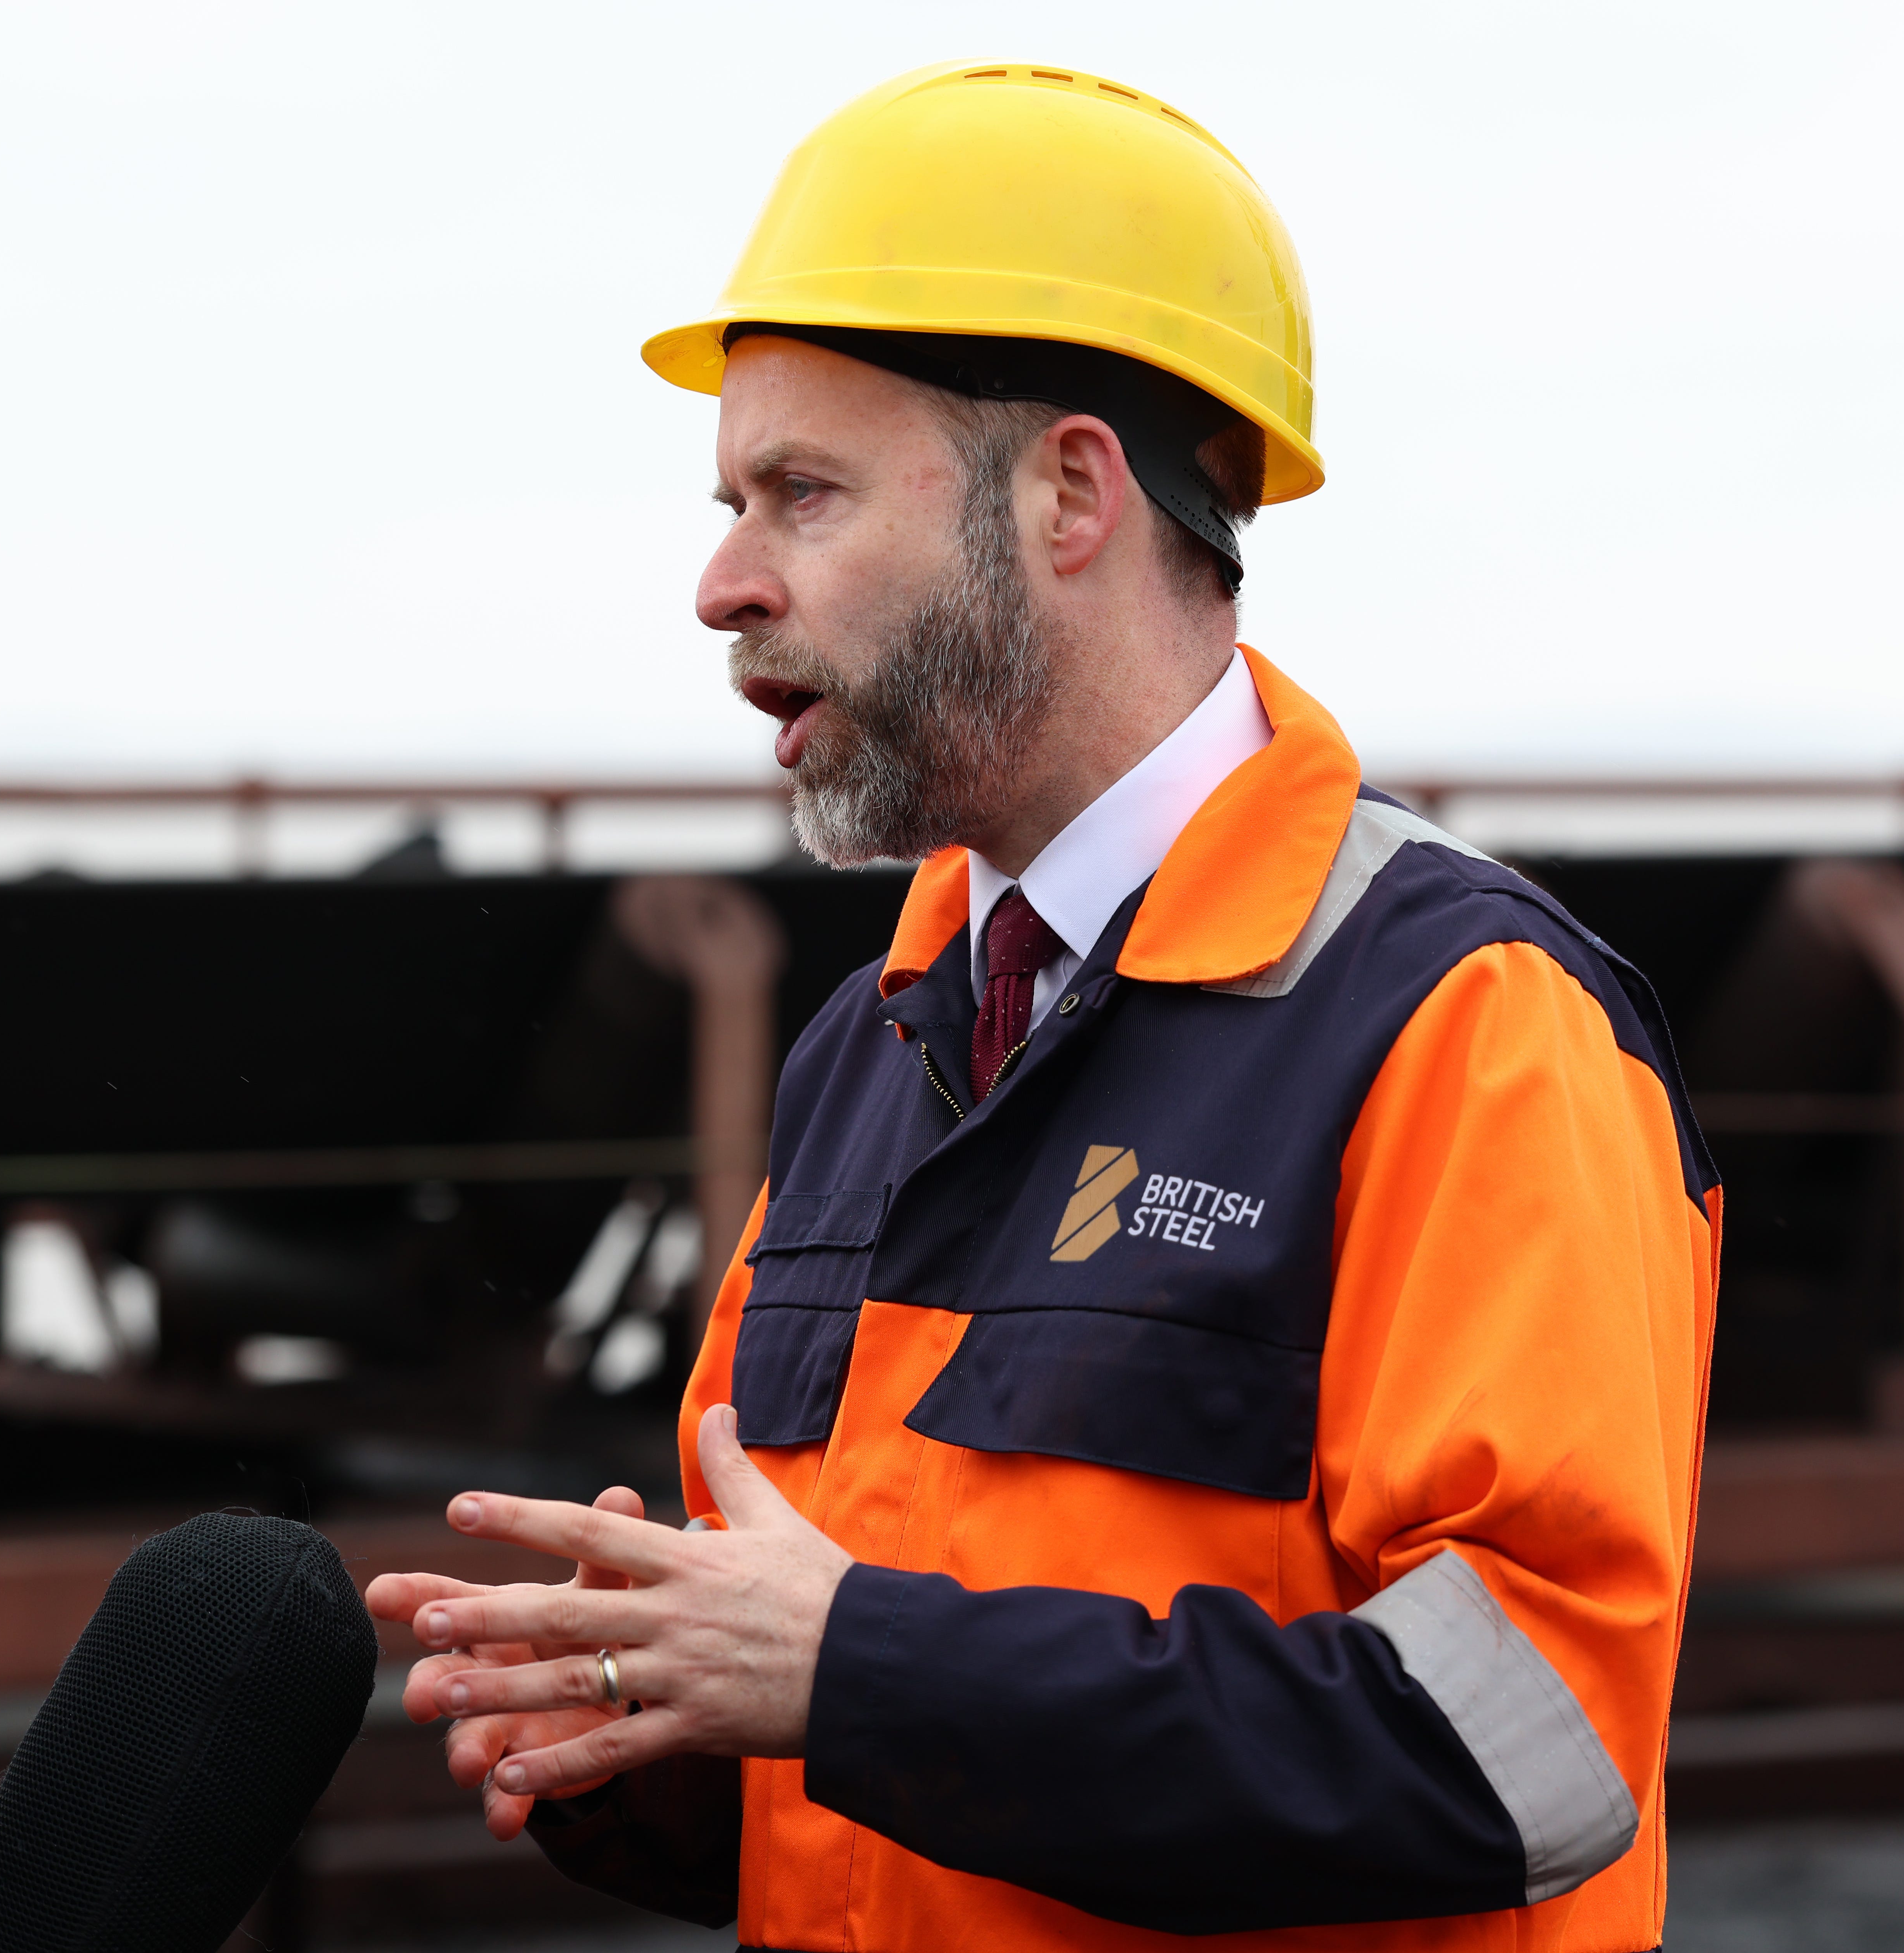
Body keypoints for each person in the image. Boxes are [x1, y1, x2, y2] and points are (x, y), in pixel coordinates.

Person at [369, 59, 1720, 1952]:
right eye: (733, 501)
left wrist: (851, 1672)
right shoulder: (881, 1040)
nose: (720, 582)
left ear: (1070, 492)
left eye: (803, 494)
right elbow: (885, 1743)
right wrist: (654, 1721)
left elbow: (1533, 1752)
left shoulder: (1473, 1025)